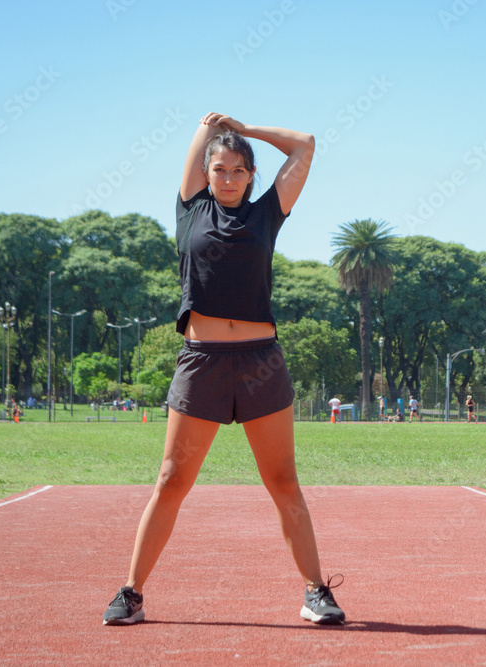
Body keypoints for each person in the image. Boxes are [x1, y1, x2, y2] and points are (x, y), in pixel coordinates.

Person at [102, 113, 344, 627]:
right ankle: (131, 593)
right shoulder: (190, 210)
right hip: (202, 362)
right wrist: (211, 127)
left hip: (260, 362)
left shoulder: (267, 214)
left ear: (252, 175)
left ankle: (315, 592)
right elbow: (200, 140)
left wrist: (248, 131)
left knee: (283, 480)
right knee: (171, 479)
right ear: (206, 174)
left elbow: (305, 145)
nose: (228, 177)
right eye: (220, 168)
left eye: (238, 170)